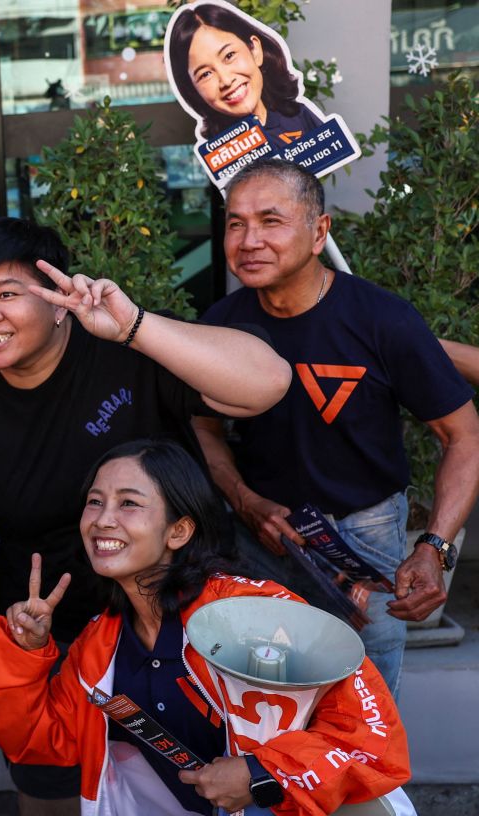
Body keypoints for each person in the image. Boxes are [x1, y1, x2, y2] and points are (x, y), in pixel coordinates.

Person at [0, 216, 291, 816]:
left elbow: (268, 383)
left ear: (59, 302)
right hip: (56, 636)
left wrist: (134, 327)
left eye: (8, 294)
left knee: (208, 791)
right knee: (50, 791)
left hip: (184, 626)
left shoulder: (125, 356)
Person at [0, 439, 413, 816]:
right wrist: (23, 651)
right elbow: (41, 740)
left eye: (129, 503)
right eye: (95, 501)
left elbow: (369, 733)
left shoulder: (252, 611)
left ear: (179, 530)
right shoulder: (100, 644)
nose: (102, 519)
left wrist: (262, 774)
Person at [192, 157, 479, 698]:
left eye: (271, 220)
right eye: (236, 223)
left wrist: (433, 548)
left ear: (319, 231)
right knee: (271, 699)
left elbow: (464, 435)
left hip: (367, 537)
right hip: (265, 541)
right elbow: (202, 429)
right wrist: (244, 500)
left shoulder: (383, 319)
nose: (249, 239)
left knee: (366, 706)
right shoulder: (221, 326)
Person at [167, 2, 322, 144]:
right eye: (205, 74)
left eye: (229, 56)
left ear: (255, 50)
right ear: (193, 90)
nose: (226, 80)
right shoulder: (220, 155)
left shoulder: (300, 117)